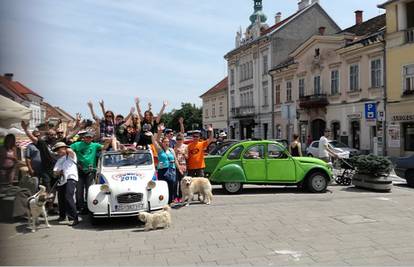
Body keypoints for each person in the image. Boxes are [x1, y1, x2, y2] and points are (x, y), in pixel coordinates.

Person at [70, 131, 107, 213]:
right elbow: (68, 149)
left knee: (89, 189)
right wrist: (73, 156)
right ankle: (80, 207)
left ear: (92, 138)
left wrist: (110, 140)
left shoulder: (95, 145)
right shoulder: (77, 144)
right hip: (79, 170)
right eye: (86, 137)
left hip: (90, 170)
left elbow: (104, 147)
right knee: (79, 190)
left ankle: (88, 206)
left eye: (90, 137)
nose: (88, 139)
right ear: (84, 138)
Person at [151, 128, 182, 204]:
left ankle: (170, 201)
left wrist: (179, 168)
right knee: (163, 186)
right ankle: (163, 201)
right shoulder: (159, 150)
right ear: (162, 143)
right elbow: (155, 141)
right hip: (163, 170)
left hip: (172, 169)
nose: (167, 143)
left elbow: (175, 160)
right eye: (165, 142)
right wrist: (159, 131)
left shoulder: (171, 150)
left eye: (168, 142)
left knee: (172, 185)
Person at [52, 142, 79, 226]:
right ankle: (62, 216)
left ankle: (74, 218)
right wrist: (58, 172)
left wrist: (64, 147)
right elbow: (54, 173)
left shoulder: (71, 156)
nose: (58, 152)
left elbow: (70, 150)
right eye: (57, 150)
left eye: (59, 150)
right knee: (61, 199)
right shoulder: (59, 160)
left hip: (71, 178)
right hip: (61, 181)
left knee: (68, 196)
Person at [174, 133, 188, 203]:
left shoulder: (185, 146)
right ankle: (176, 196)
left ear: (183, 139)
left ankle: (182, 196)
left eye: (180, 139)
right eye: (177, 139)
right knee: (176, 182)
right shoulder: (174, 146)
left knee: (182, 182)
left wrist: (182, 152)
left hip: (183, 165)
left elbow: (187, 157)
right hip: (176, 165)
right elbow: (173, 157)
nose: (179, 141)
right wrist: (176, 152)